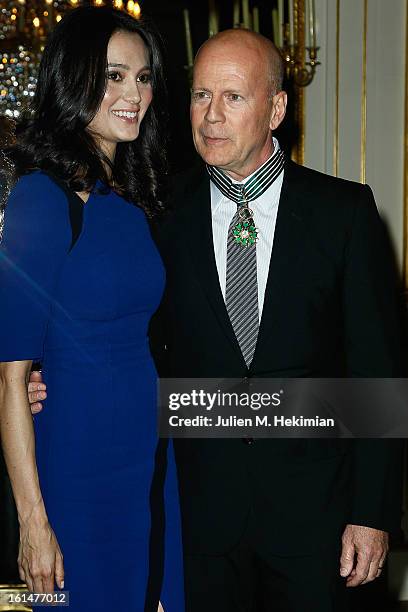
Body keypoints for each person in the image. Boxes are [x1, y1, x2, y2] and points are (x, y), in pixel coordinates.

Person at [29, 29, 403, 611]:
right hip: (195, 521)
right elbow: (121, 334)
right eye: (200, 96)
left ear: (276, 108)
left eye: (232, 97)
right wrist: (42, 373)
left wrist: (372, 514)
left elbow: (379, 373)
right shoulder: (154, 211)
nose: (210, 117)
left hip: (318, 524)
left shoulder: (345, 213)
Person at [0, 6, 183, 612]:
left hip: (148, 462)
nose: (135, 93)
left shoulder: (134, 200)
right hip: (73, 468)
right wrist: (33, 522)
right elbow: (11, 378)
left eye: (144, 76)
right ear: (73, 80)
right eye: (114, 75)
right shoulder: (40, 198)